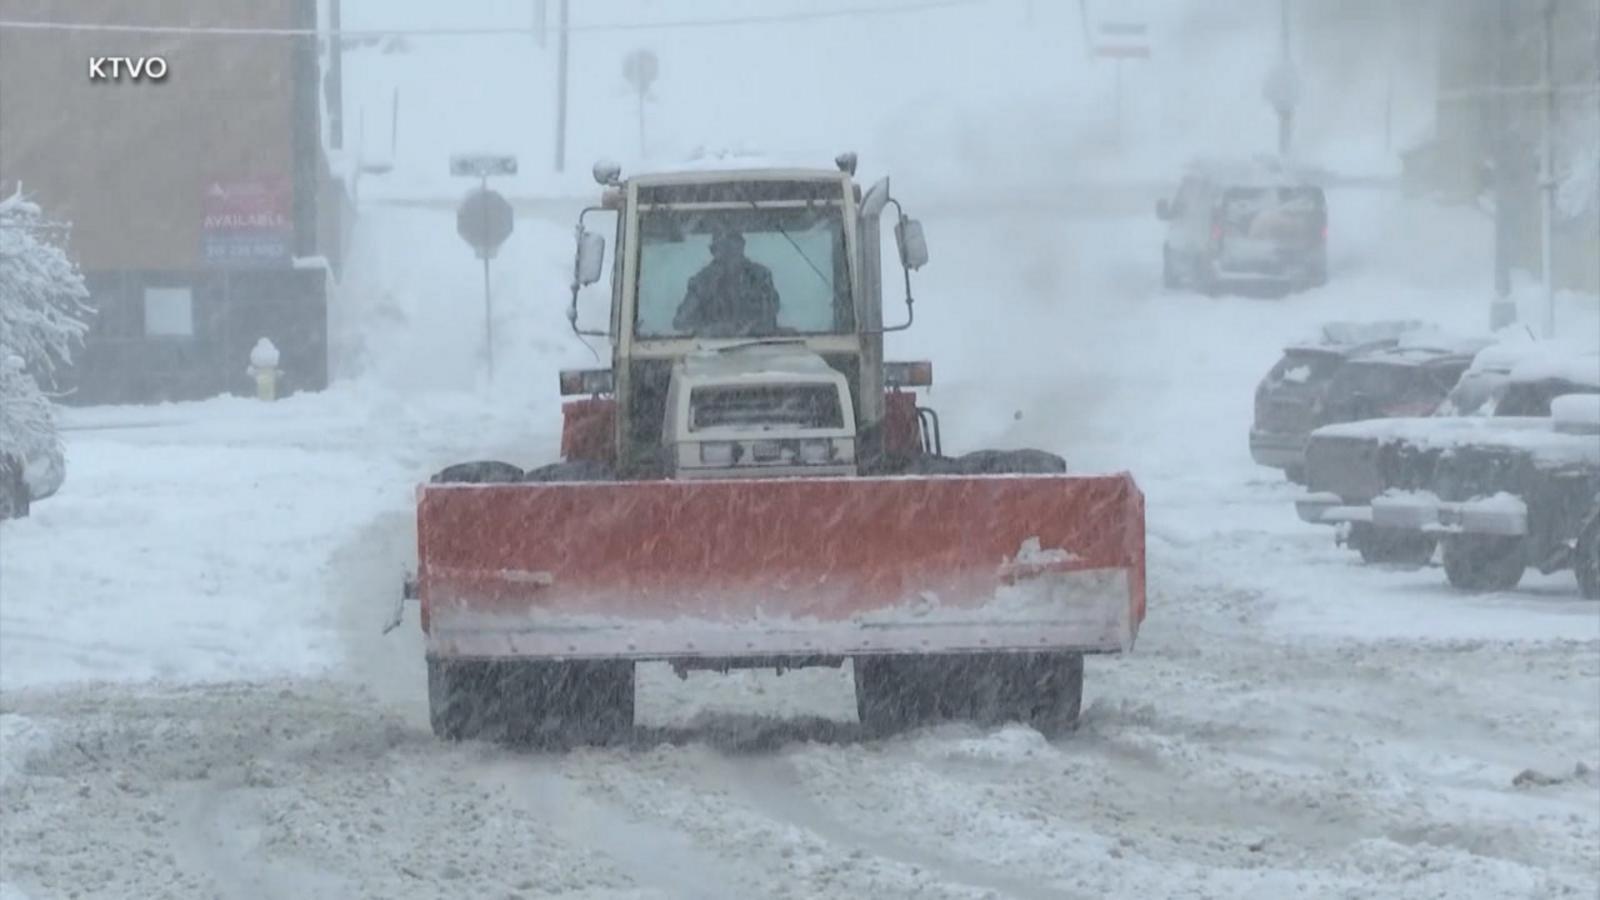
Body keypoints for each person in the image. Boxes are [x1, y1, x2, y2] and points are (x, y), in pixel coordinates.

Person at [673, 228, 781, 336]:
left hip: (759, 347)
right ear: (713, 251)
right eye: (723, 248)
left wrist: (747, 327)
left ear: (742, 247)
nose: (729, 255)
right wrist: (711, 330)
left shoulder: (760, 277)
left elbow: (768, 316)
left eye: (732, 247)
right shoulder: (702, 282)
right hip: (708, 348)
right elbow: (681, 322)